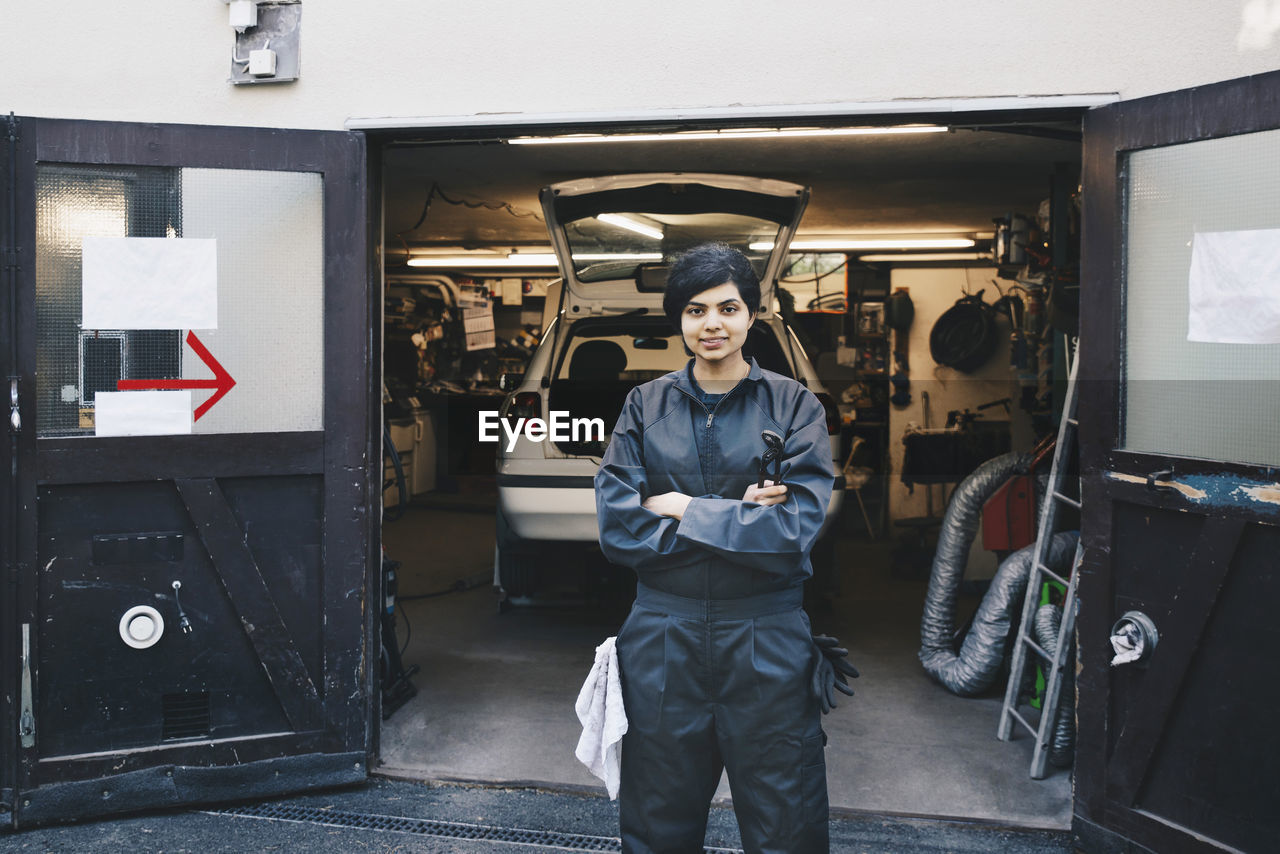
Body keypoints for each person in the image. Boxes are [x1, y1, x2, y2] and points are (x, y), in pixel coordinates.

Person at [594, 242, 837, 853]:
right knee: (657, 817)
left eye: (728, 309)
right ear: (679, 319)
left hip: (767, 635)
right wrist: (738, 522)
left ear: (751, 316)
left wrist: (680, 507)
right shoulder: (643, 406)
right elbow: (619, 527)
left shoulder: (794, 406)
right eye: (696, 310)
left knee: (787, 816)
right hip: (662, 636)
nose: (712, 325)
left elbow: (793, 531)